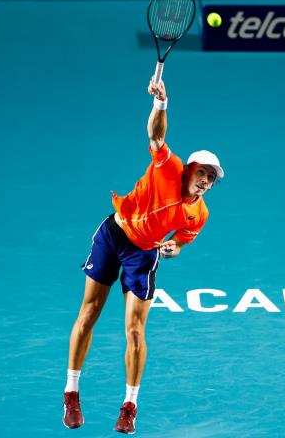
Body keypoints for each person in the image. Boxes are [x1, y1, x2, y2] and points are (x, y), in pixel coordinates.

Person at [62, 78, 224, 434]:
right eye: (202, 173)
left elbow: (181, 242)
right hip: (113, 235)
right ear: (189, 169)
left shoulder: (199, 214)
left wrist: (173, 249)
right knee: (89, 313)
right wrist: (161, 104)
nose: (206, 182)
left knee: (135, 331)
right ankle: (71, 392)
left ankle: (129, 405)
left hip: (143, 254)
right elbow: (156, 136)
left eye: (212, 179)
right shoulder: (168, 166)